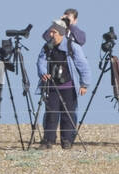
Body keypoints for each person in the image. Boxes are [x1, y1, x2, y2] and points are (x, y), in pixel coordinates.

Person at [36, 19, 90, 148]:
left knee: (68, 114)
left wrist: (84, 84)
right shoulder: (47, 47)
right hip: (52, 86)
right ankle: (48, 140)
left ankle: (67, 141)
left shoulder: (72, 47)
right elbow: (40, 62)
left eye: (53, 32)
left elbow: (83, 66)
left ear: (60, 33)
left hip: (69, 87)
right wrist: (43, 73)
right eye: (50, 32)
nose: (51, 35)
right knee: (51, 114)